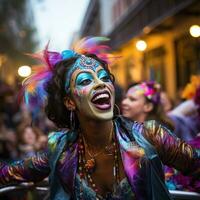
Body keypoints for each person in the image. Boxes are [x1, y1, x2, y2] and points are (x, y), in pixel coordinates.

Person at [0, 37, 200, 200]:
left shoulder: (148, 135)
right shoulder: (60, 148)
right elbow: (12, 173)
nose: (100, 84)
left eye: (104, 78)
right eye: (86, 80)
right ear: (69, 102)